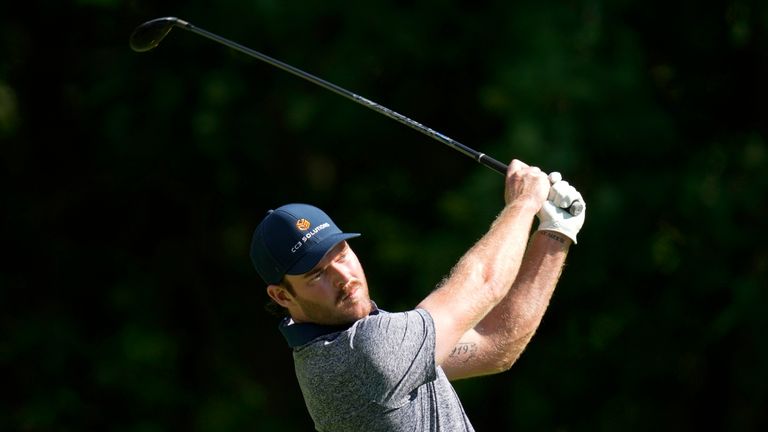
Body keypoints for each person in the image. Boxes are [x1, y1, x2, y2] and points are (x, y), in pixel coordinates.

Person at [249, 159, 586, 431]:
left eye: (341, 253)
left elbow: (496, 344)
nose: (344, 276)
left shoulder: (363, 343)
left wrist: (556, 233)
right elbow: (484, 282)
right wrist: (525, 202)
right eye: (317, 273)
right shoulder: (361, 354)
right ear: (281, 296)